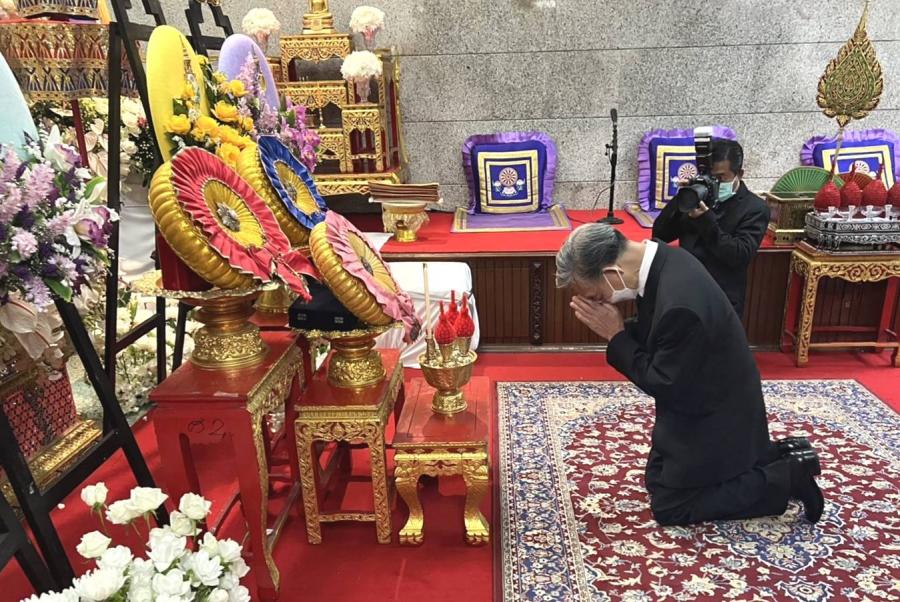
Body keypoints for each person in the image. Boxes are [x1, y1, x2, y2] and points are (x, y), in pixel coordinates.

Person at [555, 223, 824, 526]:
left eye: (596, 296)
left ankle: (786, 477)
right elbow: (658, 335)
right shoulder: (666, 259)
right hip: (702, 388)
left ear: (611, 273)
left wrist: (616, 336)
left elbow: (663, 382)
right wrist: (621, 334)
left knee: (671, 507)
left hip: (718, 412)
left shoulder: (680, 305)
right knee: (657, 480)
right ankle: (776, 454)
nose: (601, 303)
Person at [651, 139, 769, 317]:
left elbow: (739, 255)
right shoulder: (697, 198)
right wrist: (681, 200)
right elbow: (660, 234)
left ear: (739, 174)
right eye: (708, 176)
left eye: (720, 178)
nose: (713, 183)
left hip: (721, 299)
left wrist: (706, 221)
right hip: (684, 293)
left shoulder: (755, 208)